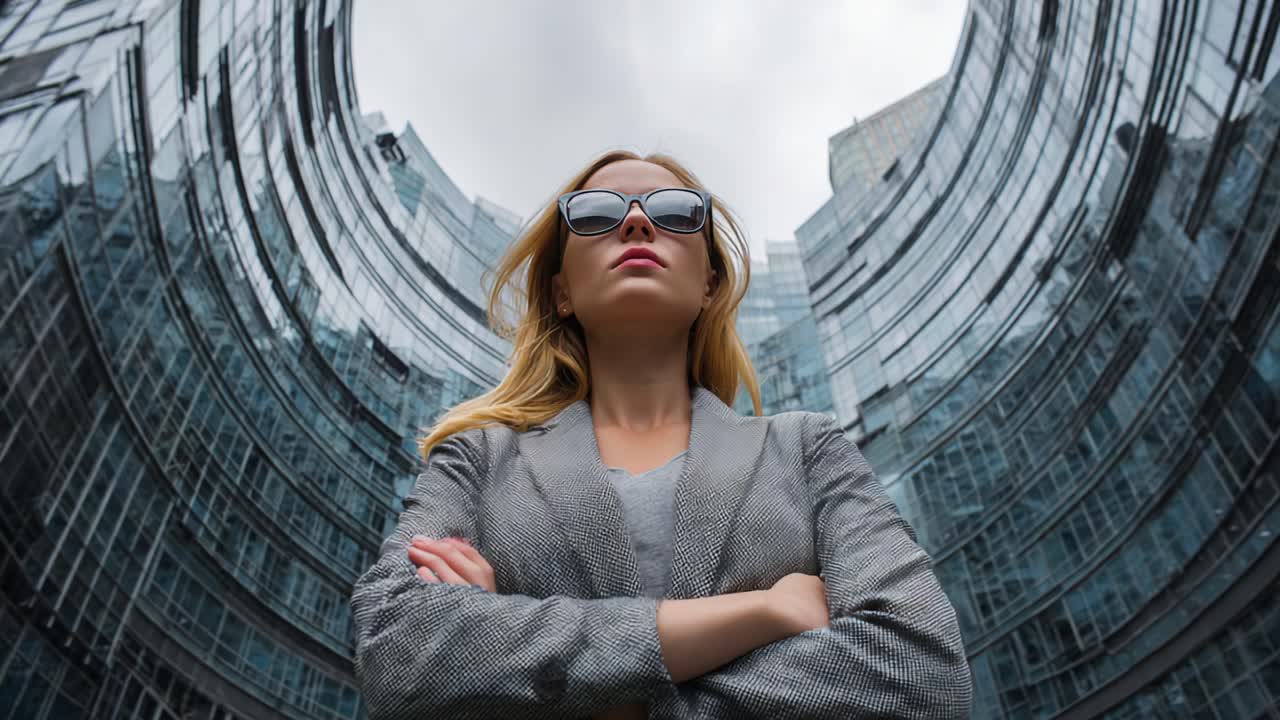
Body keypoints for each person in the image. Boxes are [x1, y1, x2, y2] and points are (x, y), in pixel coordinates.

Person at [349, 150, 973, 719]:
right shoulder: (479, 458)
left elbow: (923, 667)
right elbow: (393, 645)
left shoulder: (807, 449)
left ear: (708, 283)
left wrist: (552, 681)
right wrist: (760, 615)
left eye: (676, 213)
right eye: (595, 214)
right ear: (562, 290)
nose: (638, 224)